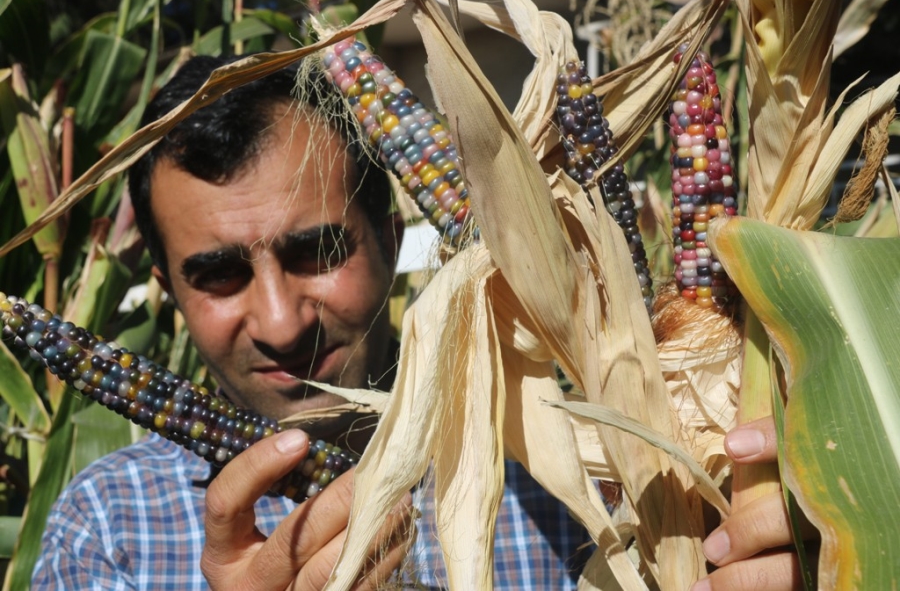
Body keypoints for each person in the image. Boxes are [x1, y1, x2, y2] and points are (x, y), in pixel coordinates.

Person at [31, 54, 807, 591]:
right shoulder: (110, 529)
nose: (278, 321)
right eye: (220, 274)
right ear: (166, 285)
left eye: (318, 251)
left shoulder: (596, 473)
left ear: (393, 238)